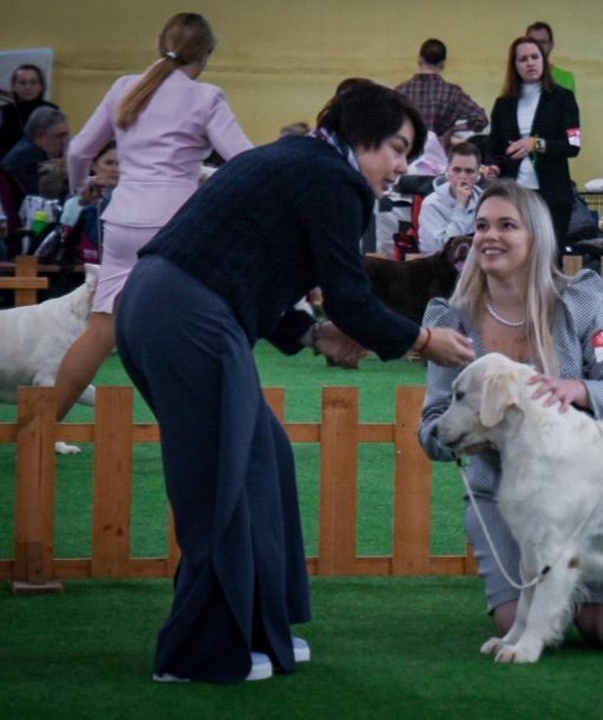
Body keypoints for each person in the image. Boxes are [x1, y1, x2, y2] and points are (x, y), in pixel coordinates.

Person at [115, 80, 475, 684]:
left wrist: (314, 335)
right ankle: (197, 655)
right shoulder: (333, 180)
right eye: (394, 147)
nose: (400, 166)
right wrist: (422, 342)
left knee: (264, 458)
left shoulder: (300, 163)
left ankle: (260, 627)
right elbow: (352, 299)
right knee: (219, 482)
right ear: (359, 139)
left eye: (408, 153)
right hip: (188, 316)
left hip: (169, 307)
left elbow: (249, 263)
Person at [419, 179, 603, 651]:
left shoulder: (581, 301)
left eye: (507, 225)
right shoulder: (449, 322)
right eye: (481, 226)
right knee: (513, 623)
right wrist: (466, 435)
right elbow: (433, 425)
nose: (490, 236)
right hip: (503, 497)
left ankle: (572, 587)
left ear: (537, 238)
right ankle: (555, 594)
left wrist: (578, 388)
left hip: (592, 494)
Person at [51, 13, 253, 422]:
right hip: (178, 227)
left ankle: (42, 424)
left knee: (100, 330)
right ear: (206, 55)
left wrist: (80, 190)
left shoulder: (125, 88)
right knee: (190, 324)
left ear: (160, 44)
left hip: (122, 220)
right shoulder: (207, 97)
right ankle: (199, 422)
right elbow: (245, 161)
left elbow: (78, 152)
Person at [486, 37, 581, 260]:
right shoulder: (503, 104)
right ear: (515, 66)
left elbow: (573, 146)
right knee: (514, 256)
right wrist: (492, 167)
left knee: (548, 258)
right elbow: (494, 147)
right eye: (523, 59)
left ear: (544, 61)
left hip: (552, 194)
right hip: (514, 193)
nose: (530, 63)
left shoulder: (563, 98)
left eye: (535, 57)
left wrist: (536, 144)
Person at [395, 38, 488, 148]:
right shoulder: (452, 93)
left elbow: (387, 124)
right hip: (439, 155)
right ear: (443, 63)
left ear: (419, 60)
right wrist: (452, 129)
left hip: (408, 154)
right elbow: (481, 119)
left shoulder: (401, 91)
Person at [417, 141, 483, 255]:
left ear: (477, 175)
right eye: (457, 170)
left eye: (469, 171)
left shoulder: (485, 203)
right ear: (447, 170)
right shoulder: (431, 204)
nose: (462, 177)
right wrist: (460, 206)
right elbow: (435, 252)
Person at [1, 106, 70, 195]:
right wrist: (62, 174)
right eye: (60, 136)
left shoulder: (41, 152)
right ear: (39, 136)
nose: (65, 141)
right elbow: (45, 197)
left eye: (67, 135)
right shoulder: (22, 160)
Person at [0, 64, 59, 159]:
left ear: (41, 86)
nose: (28, 87)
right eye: (22, 83)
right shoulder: (4, 112)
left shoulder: (51, 111)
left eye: (33, 82)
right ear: (14, 86)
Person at [525, 21, 575, 92]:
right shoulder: (517, 77)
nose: (537, 46)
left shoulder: (565, 78)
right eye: (532, 42)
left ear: (551, 45)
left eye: (542, 42)